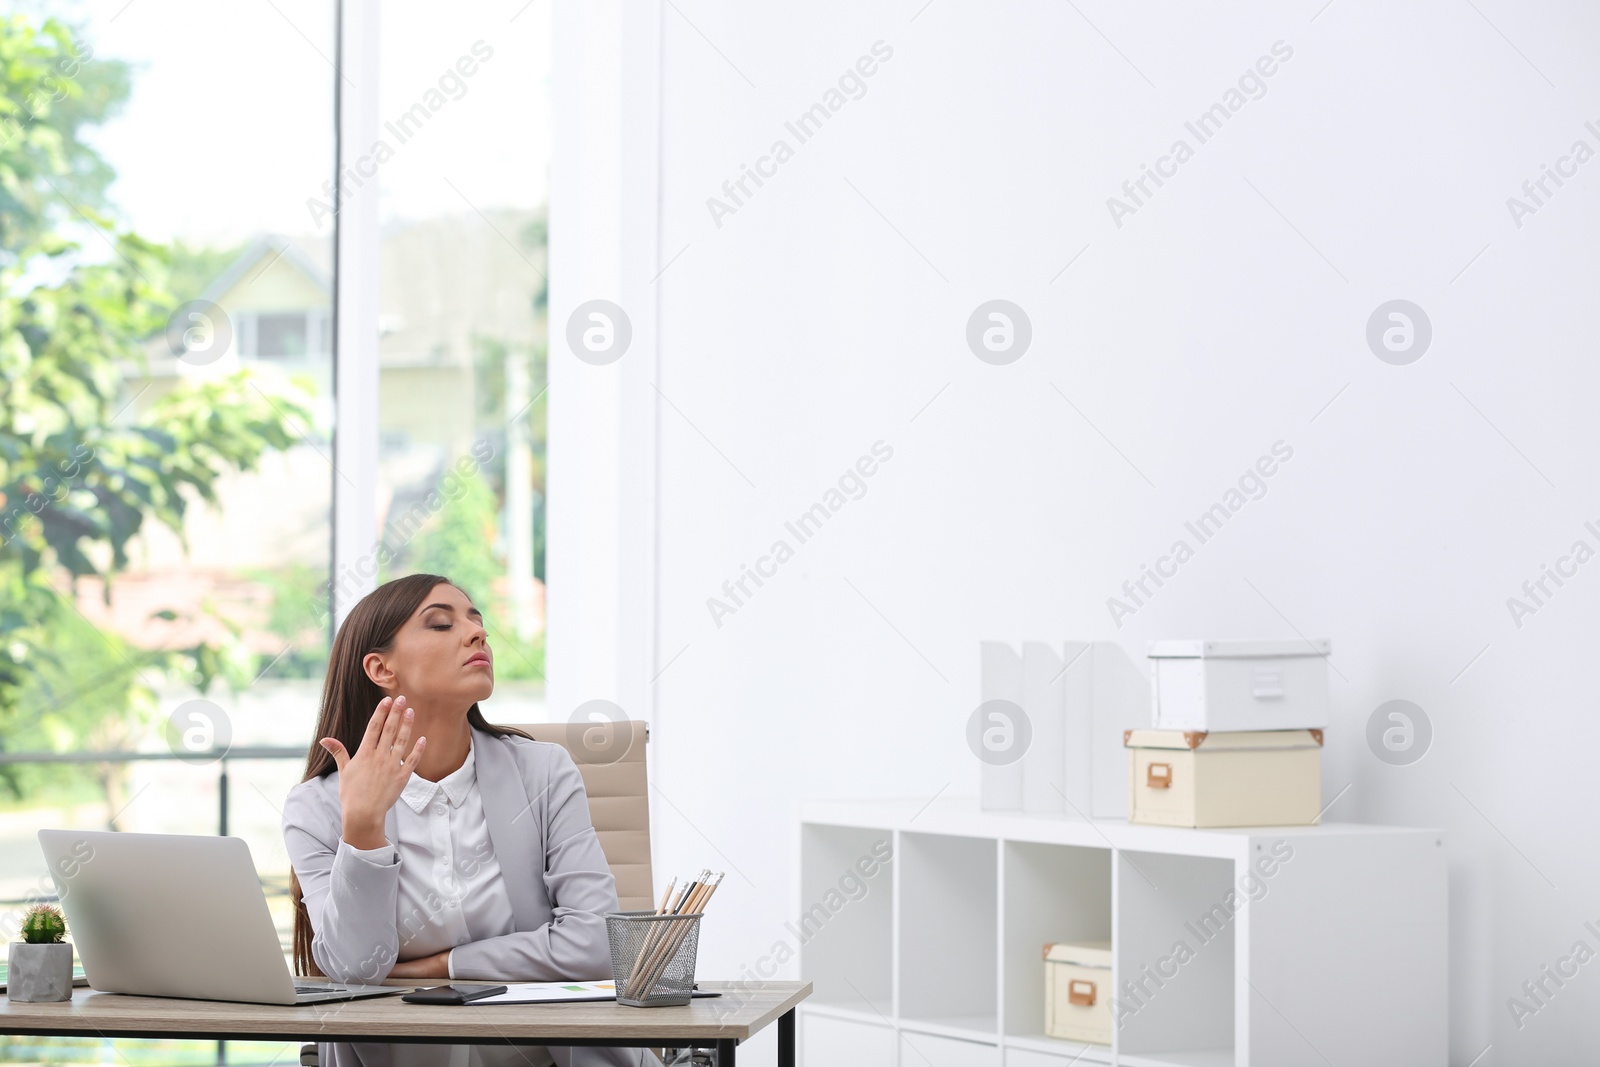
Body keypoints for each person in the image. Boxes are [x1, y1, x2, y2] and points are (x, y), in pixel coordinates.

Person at [282, 573, 655, 1067]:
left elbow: (597, 944)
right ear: (380, 668)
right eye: (441, 624)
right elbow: (355, 968)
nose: (477, 633)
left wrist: (445, 966)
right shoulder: (318, 807)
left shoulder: (543, 771)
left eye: (476, 619)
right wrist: (364, 830)